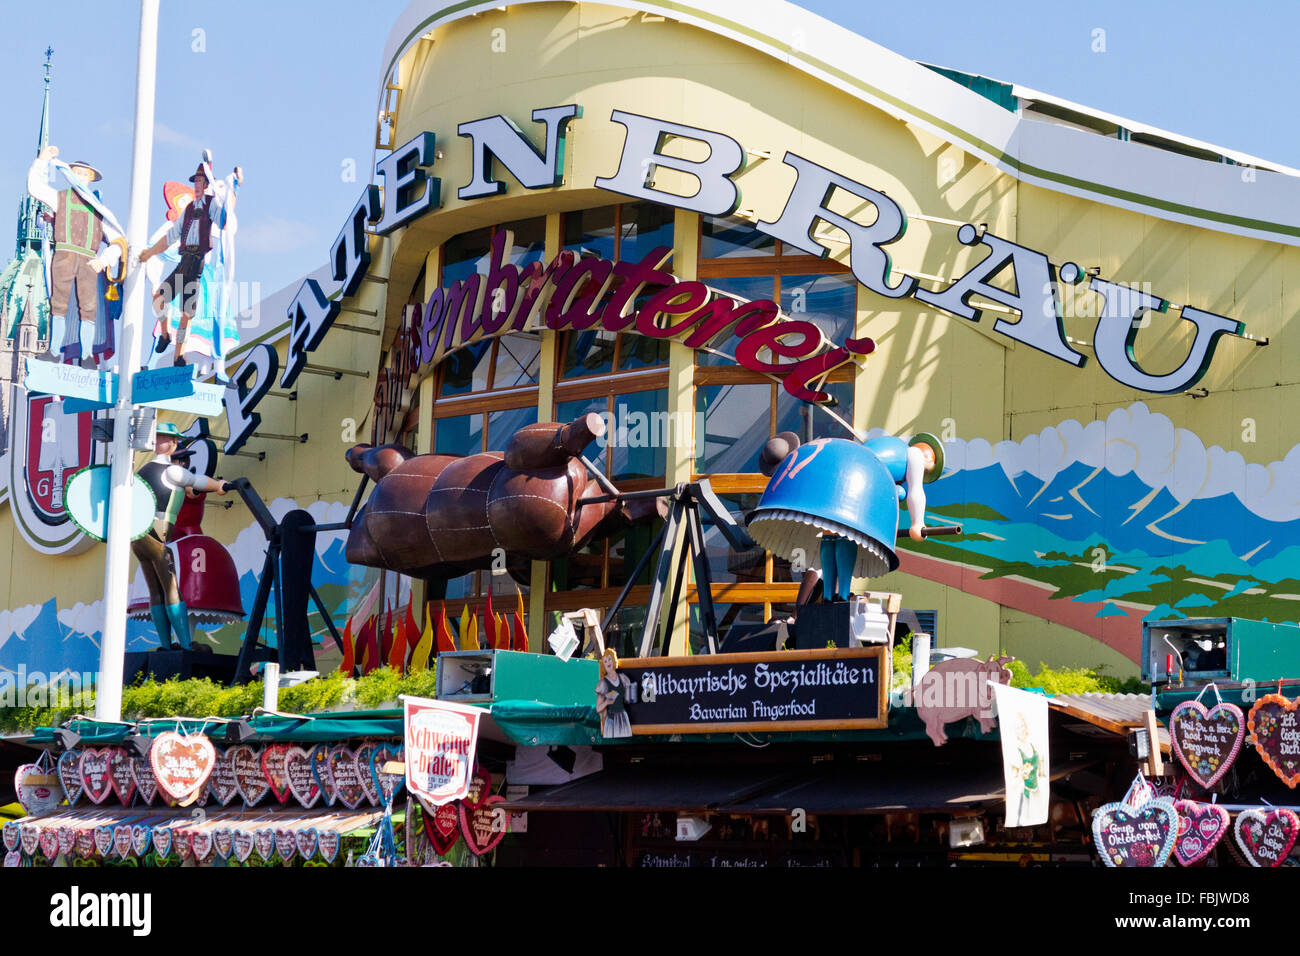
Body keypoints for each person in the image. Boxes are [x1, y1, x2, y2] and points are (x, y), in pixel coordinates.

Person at [131, 422, 232, 649]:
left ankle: (166, 645)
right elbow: (198, 482)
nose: (159, 442)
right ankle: (185, 645)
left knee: (155, 590)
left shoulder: (142, 471)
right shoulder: (173, 471)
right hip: (158, 531)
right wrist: (220, 486)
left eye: (162, 439)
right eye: (158, 438)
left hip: (137, 535)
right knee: (170, 588)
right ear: (175, 444)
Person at [139, 155, 242, 370]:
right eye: (195, 181)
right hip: (183, 262)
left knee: (187, 314)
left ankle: (179, 355)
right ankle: (165, 335)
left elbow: (225, 221)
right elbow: (170, 237)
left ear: (206, 185)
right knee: (159, 298)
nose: (196, 185)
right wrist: (149, 253)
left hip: (197, 265)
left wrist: (234, 189)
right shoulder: (187, 211)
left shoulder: (211, 206)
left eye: (200, 181)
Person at [25, 145, 125, 365]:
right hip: (64, 256)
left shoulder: (99, 208)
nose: (80, 177)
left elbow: (119, 241)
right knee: (58, 304)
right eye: (77, 173)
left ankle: (87, 355)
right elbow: (35, 186)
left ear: (90, 179)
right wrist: (42, 160)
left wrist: (103, 259)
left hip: (89, 261)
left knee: (88, 309)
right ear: (70, 174)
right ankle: (53, 352)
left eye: (84, 174)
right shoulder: (59, 198)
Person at [594, 648, 633, 739]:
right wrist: (606, 702)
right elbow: (598, 708)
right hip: (611, 720)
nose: (608, 662)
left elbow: (630, 697)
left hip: (623, 717)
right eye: (605, 661)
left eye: (609, 659)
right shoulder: (603, 683)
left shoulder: (623, 678)